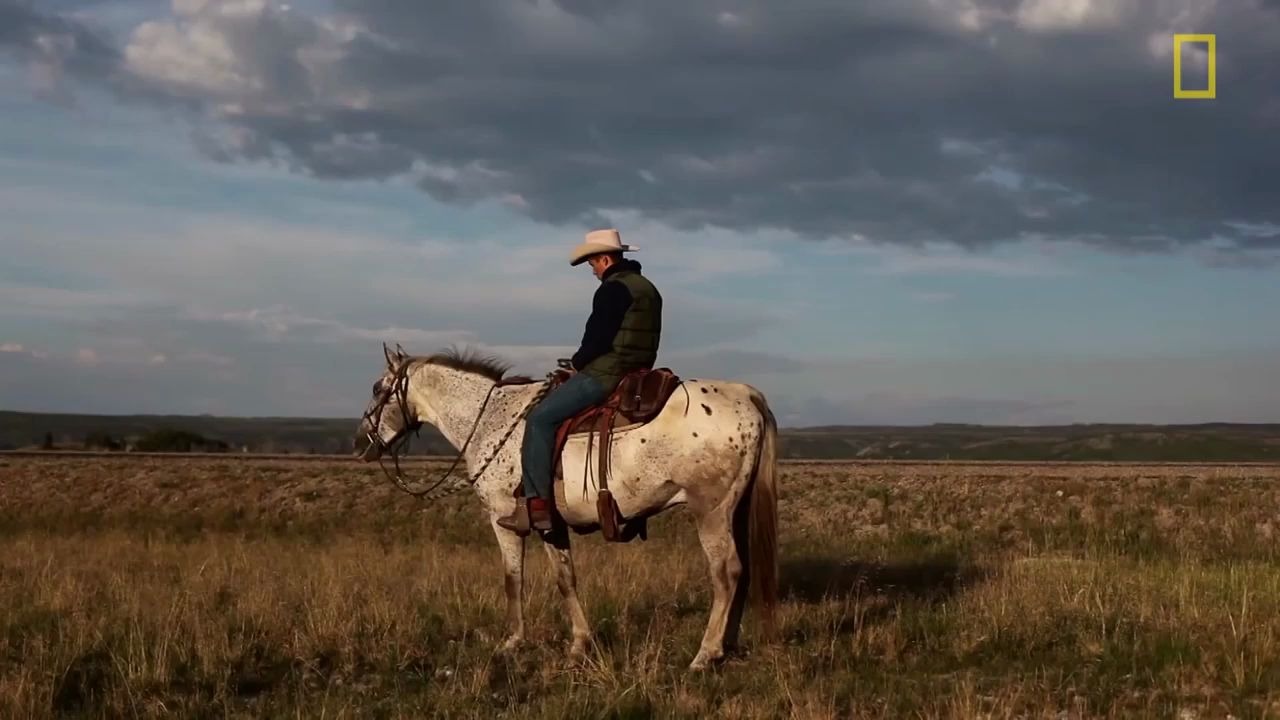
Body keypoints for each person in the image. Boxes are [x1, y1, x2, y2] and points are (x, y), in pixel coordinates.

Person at [497, 228, 663, 534]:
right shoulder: (648, 288)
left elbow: (598, 340)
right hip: (641, 372)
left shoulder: (613, 289)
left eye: (593, 264)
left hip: (608, 372)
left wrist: (576, 365)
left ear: (605, 258)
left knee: (540, 419)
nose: (593, 271)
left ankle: (537, 506)